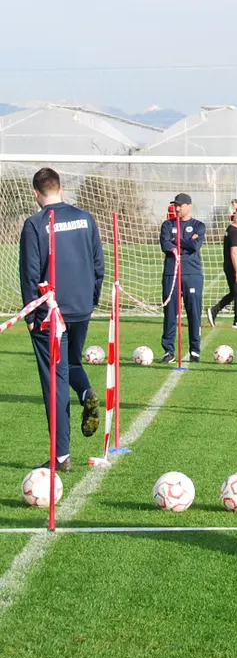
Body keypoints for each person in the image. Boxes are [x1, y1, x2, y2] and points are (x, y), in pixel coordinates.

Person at [19, 167, 105, 471]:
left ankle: (61, 456)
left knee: (54, 380)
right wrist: (90, 299)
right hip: (81, 307)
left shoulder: (35, 224)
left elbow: (30, 272)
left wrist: (31, 312)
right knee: (71, 362)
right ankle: (86, 393)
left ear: (36, 193)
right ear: (61, 188)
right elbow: (98, 264)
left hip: (50, 313)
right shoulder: (86, 217)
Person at [159, 192, 205, 364]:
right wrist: (183, 241)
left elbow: (195, 245)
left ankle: (194, 350)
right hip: (172, 273)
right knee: (170, 313)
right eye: (175, 205)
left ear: (189, 206)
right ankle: (168, 351)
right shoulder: (167, 224)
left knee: (194, 313)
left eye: (180, 205)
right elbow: (165, 244)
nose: (177, 208)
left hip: (192, 274)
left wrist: (177, 240)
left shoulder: (199, 225)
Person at [207, 208, 237, 329]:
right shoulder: (234, 232)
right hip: (234, 268)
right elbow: (234, 252)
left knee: (235, 293)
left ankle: (214, 310)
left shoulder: (233, 231)